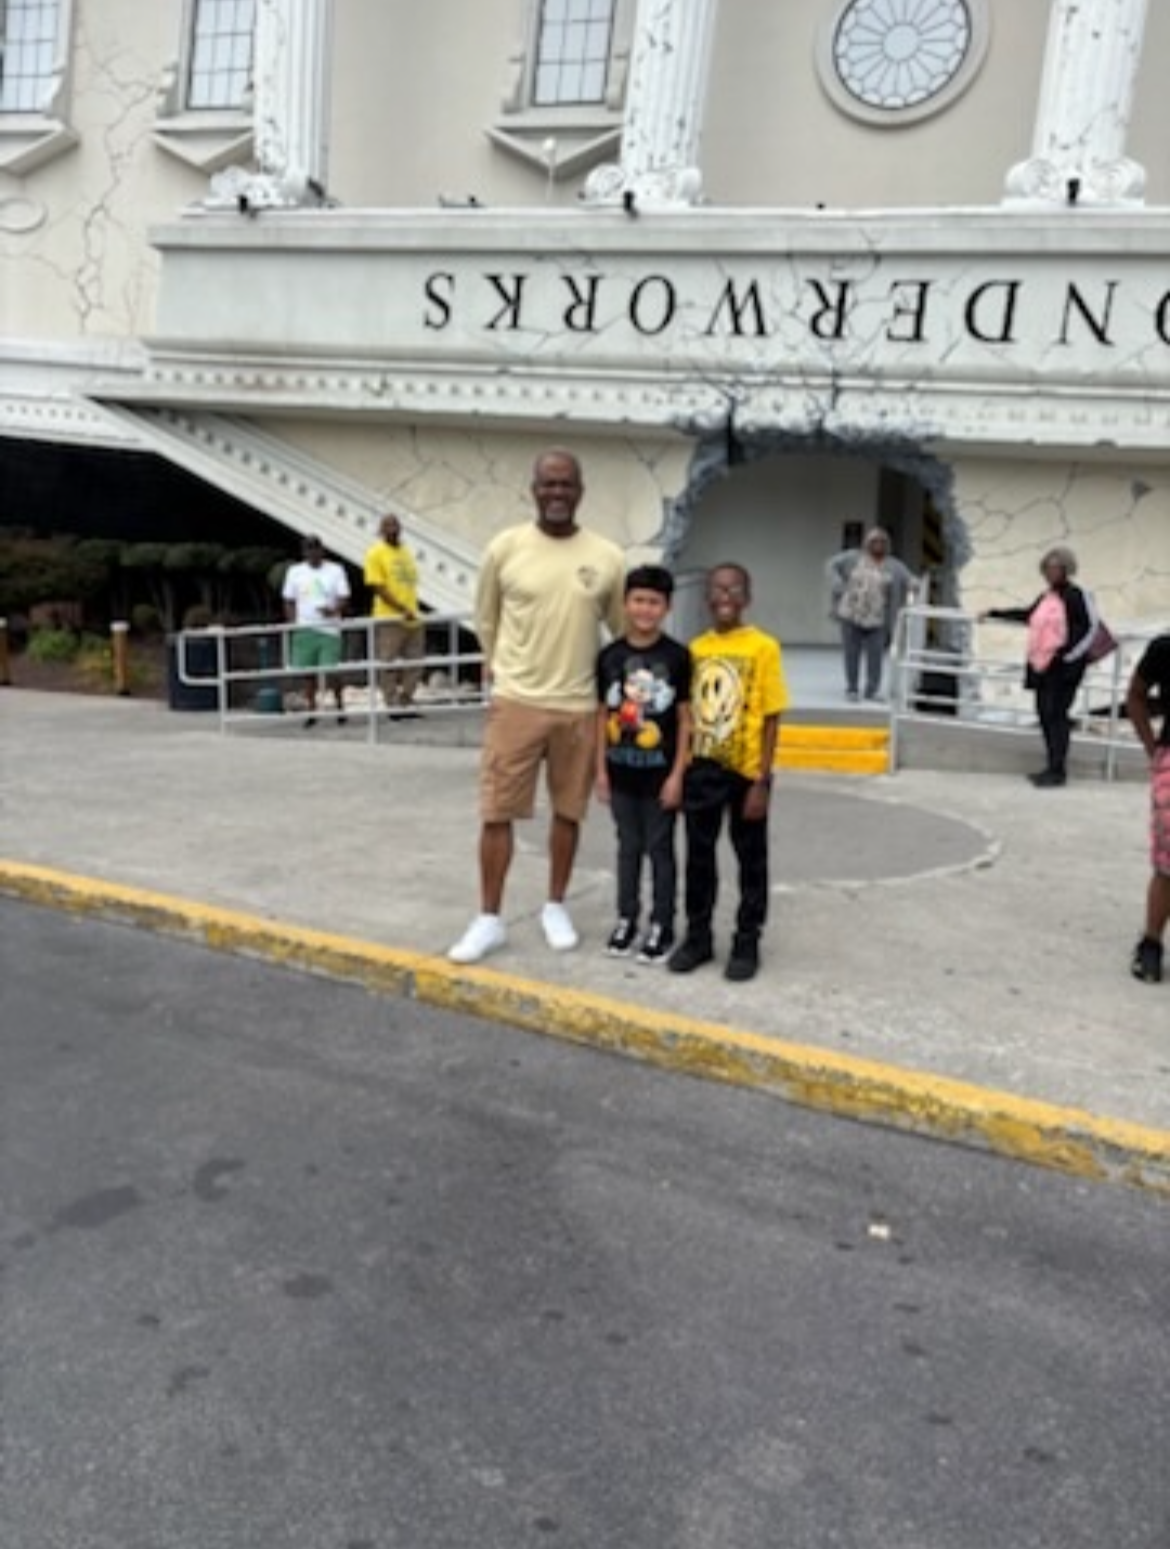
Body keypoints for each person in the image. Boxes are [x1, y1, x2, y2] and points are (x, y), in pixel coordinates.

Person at [447, 449, 625, 964]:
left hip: (578, 705)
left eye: (566, 484)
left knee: (568, 813)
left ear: (580, 491)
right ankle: (488, 918)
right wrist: (499, 674)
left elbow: (620, 632)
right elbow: (486, 619)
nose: (557, 493)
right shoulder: (505, 548)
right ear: (533, 490)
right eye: (548, 484)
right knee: (496, 812)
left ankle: (555, 905)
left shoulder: (607, 557)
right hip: (517, 702)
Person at [668, 563, 789, 983]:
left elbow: (772, 717)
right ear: (707, 597)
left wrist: (762, 781)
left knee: (751, 860)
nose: (726, 596)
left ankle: (747, 940)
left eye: (735, 589)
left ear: (747, 597)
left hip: (746, 772)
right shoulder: (696, 649)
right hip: (703, 769)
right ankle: (698, 936)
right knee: (699, 858)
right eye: (718, 589)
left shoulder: (764, 647)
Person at [595, 565, 692, 966]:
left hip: (660, 777)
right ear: (625, 603)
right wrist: (600, 771)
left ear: (667, 607)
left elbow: (685, 720)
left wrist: (677, 775)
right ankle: (626, 918)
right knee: (627, 848)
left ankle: (662, 924)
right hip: (620, 774)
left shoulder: (678, 657)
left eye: (654, 602)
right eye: (638, 600)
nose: (645, 609)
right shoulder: (609, 657)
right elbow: (600, 716)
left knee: (660, 850)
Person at [980, 545, 1099, 787]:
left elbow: (1090, 628)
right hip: (1043, 666)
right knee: (1044, 714)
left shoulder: (1076, 595)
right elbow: (1028, 615)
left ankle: (1058, 770)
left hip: (1064, 668)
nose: (1050, 572)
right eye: (1047, 568)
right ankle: (1051, 765)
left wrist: (1068, 656)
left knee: (1057, 716)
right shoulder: (1047, 597)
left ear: (1066, 569)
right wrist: (994, 613)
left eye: (1055, 568)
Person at [826, 527, 917, 702]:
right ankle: (852, 688)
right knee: (851, 654)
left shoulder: (894, 565)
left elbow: (909, 578)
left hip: (877, 618)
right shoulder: (853, 558)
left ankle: (872, 690)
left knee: (875, 656)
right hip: (851, 614)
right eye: (874, 541)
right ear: (866, 543)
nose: (878, 545)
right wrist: (838, 584)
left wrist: (914, 584)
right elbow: (831, 565)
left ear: (887, 545)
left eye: (882, 542)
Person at [1126, 633, 1169, 984]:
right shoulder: (1165, 649)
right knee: (1168, 863)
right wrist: (1151, 746)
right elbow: (1136, 696)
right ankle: (1151, 943)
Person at [281, 534, 351, 727]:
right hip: (305, 626)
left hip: (329, 628)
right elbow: (288, 599)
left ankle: (340, 707)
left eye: (315, 549)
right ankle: (312, 711)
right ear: (304, 552)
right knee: (308, 674)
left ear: (322, 550)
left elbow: (344, 596)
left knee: (332, 671)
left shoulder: (335, 570)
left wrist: (334, 610)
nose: (312, 553)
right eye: (308, 549)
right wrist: (293, 623)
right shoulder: (295, 572)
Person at [364, 513, 425, 718]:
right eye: (388, 525)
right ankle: (392, 704)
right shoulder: (375, 553)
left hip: (412, 615)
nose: (392, 529)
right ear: (381, 530)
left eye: (395, 525)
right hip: (389, 616)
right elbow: (378, 587)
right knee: (387, 663)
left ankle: (406, 700)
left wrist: (411, 609)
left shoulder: (405, 551)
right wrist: (400, 608)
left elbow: (410, 583)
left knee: (415, 662)